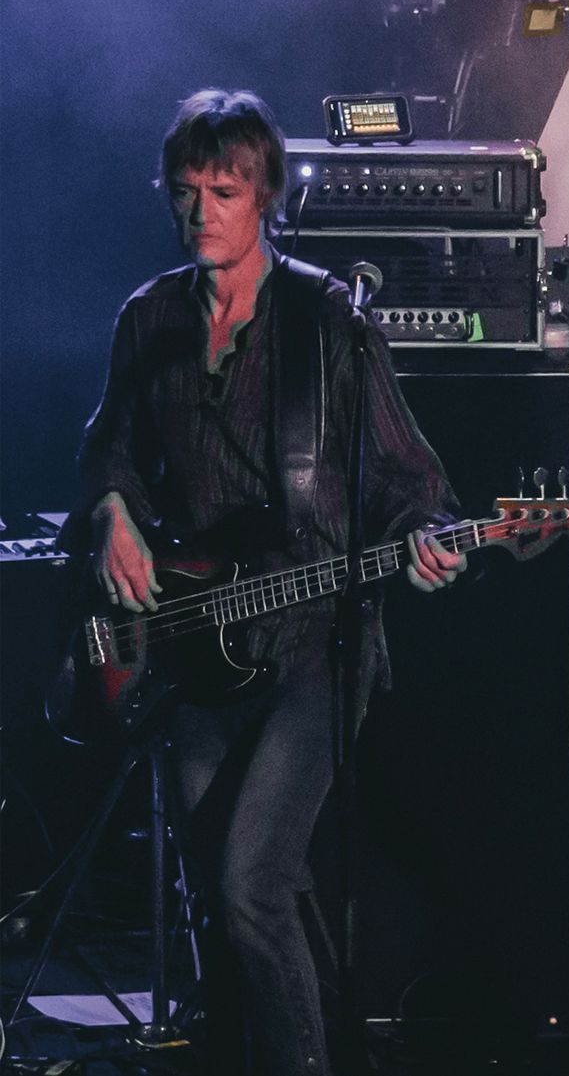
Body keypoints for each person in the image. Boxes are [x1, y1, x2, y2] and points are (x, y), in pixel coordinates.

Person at [68, 89, 467, 1075]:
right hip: (199, 645)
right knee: (223, 885)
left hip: (314, 644)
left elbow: (415, 482)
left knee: (253, 878)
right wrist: (114, 512)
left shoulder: (326, 322)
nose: (204, 210)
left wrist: (430, 539)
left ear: (266, 198)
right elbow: (105, 452)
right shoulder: (149, 319)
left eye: (226, 190)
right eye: (189, 191)